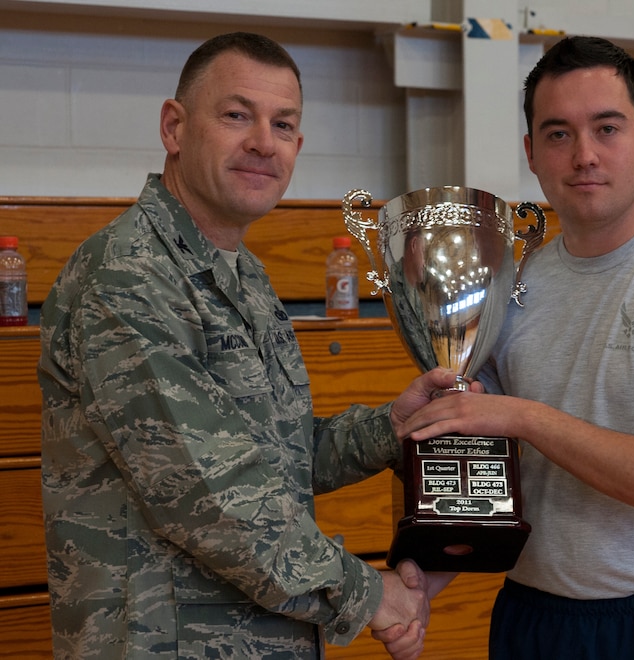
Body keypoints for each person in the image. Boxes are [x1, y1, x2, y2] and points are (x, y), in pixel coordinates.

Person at [38, 31, 454, 660]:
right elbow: (210, 492)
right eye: (237, 115)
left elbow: (272, 457)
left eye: (283, 124)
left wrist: (390, 430)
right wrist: (372, 596)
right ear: (174, 127)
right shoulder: (128, 276)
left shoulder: (245, 276)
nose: (263, 141)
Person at [394, 36, 634, 659]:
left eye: (607, 128)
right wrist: (416, 587)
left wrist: (525, 417)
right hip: (534, 622)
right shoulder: (506, 290)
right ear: (532, 155)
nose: (585, 155)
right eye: (559, 134)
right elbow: (487, 479)